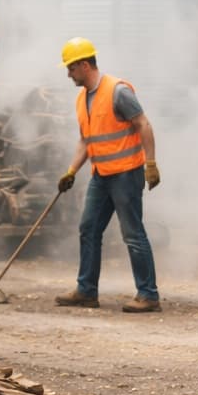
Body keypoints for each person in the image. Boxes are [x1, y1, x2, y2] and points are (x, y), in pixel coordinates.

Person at [53, 37, 163, 314]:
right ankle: (86, 291)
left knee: (133, 233)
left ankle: (148, 295)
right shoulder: (82, 99)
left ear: (85, 65)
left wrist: (150, 163)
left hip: (126, 174)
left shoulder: (118, 92)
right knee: (88, 229)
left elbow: (143, 124)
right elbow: (86, 140)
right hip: (101, 176)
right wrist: (71, 171)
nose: (68, 74)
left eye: (71, 68)